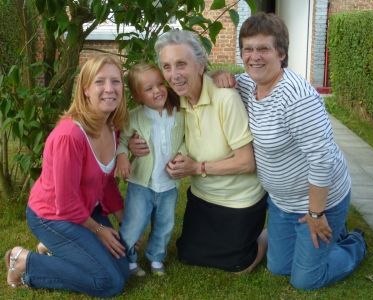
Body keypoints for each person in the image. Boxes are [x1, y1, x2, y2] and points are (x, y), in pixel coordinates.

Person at [213, 12, 367, 289]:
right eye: (248, 49)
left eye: (263, 49)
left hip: (321, 201)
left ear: (281, 54)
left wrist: (317, 213)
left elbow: (323, 160)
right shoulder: (248, 85)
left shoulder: (298, 99)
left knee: (306, 280)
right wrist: (219, 75)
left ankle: (353, 243)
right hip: (283, 205)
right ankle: (328, 236)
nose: (254, 57)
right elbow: (215, 80)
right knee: (278, 268)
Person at [130, 30, 267, 273]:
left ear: (200, 64)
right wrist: (132, 144)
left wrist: (197, 168)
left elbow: (247, 162)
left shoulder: (226, 99)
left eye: (181, 64)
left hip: (238, 199)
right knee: (188, 255)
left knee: (238, 265)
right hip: (202, 197)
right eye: (167, 67)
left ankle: (268, 234)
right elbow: (145, 118)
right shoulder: (173, 98)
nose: (174, 75)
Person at [4, 54, 130, 297]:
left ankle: (57, 249)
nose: (109, 89)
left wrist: (126, 222)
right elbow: (66, 204)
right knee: (109, 283)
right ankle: (25, 262)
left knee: (123, 270)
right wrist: (99, 231)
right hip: (53, 216)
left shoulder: (111, 127)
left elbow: (106, 185)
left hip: (84, 210)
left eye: (116, 82)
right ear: (85, 90)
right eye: (100, 82)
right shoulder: (69, 136)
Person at [115, 63, 185, 276]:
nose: (157, 90)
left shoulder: (179, 113)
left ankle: (156, 258)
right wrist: (122, 158)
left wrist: (182, 154)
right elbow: (123, 141)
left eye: (160, 84)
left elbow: (186, 140)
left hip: (168, 185)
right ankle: (129, 261)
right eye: (149, 88)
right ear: (137, 96)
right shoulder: (134, 116)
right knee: (134, 224)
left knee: (165, 224)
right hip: (140, 184)